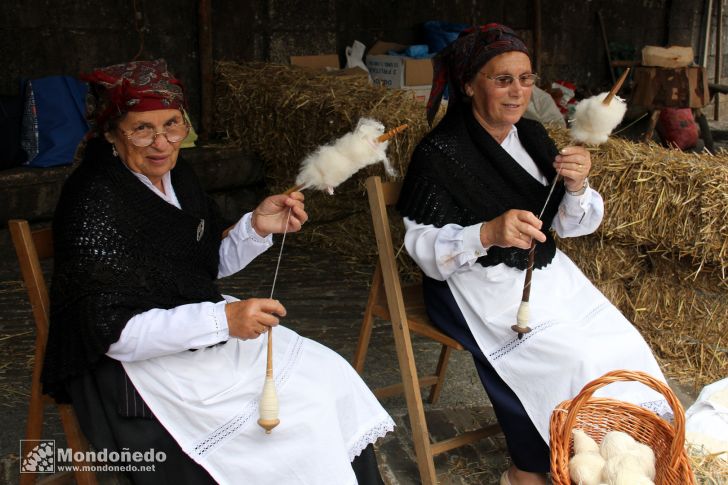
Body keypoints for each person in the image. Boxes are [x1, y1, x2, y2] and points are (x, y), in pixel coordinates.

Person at [42, 59, 393, 485]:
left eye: (172, 125)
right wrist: (222, 320)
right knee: (297, 419)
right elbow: (112, 332)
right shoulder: (94, 202)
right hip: (134, 368)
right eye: (142, 129)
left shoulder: (176, 177)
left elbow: (203, 263)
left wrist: (256, 226)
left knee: (328, 376)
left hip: (192, 332)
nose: (161, 143)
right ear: (111, 132)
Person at [396, 25, 670, 485]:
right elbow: (420, 248)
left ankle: (618, 461)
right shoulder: (441, 152)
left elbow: (570, 225)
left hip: (543, 273)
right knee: (569, 354)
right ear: (469, 84)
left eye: (526, 78)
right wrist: (486, 232)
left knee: (621, 345)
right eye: (502, 79)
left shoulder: (533, 136)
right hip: (472, 284)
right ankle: (534, 467)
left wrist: (577, 185)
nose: (518, 91)